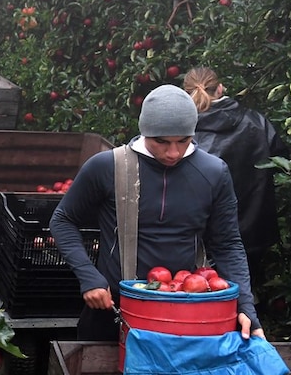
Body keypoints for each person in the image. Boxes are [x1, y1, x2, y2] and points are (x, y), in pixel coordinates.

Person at [49, 84, 263, 342]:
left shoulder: (213, 172)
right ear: (144, 131)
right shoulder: (108, 167)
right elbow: (63, 220)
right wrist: (89, 276)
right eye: (161, 141)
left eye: (183, 141)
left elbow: (227, 244)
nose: (173, 153)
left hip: (186, 313)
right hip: (115, 312)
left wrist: (245, 308)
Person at [183, 66, 290, 291]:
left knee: (201, 299)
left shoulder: (180, 134)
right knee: (245, 299)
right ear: (221, 88)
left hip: (202, 241)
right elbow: (282, 164)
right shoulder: (256, 122)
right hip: (254, 235)